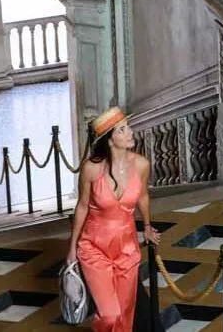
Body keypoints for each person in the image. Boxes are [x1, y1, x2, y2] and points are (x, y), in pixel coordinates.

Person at [66, 107, 160, 332]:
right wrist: (71, 250)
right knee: (109, 315)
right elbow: (81, 207)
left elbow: (143, 196)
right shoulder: (91, 169)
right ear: (109, 140)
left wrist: (146, 226)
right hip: (93, 247)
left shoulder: (141, 165)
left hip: (126, 248)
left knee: (125, 315)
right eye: (122, 130)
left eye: (128, 127)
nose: (130, 132)